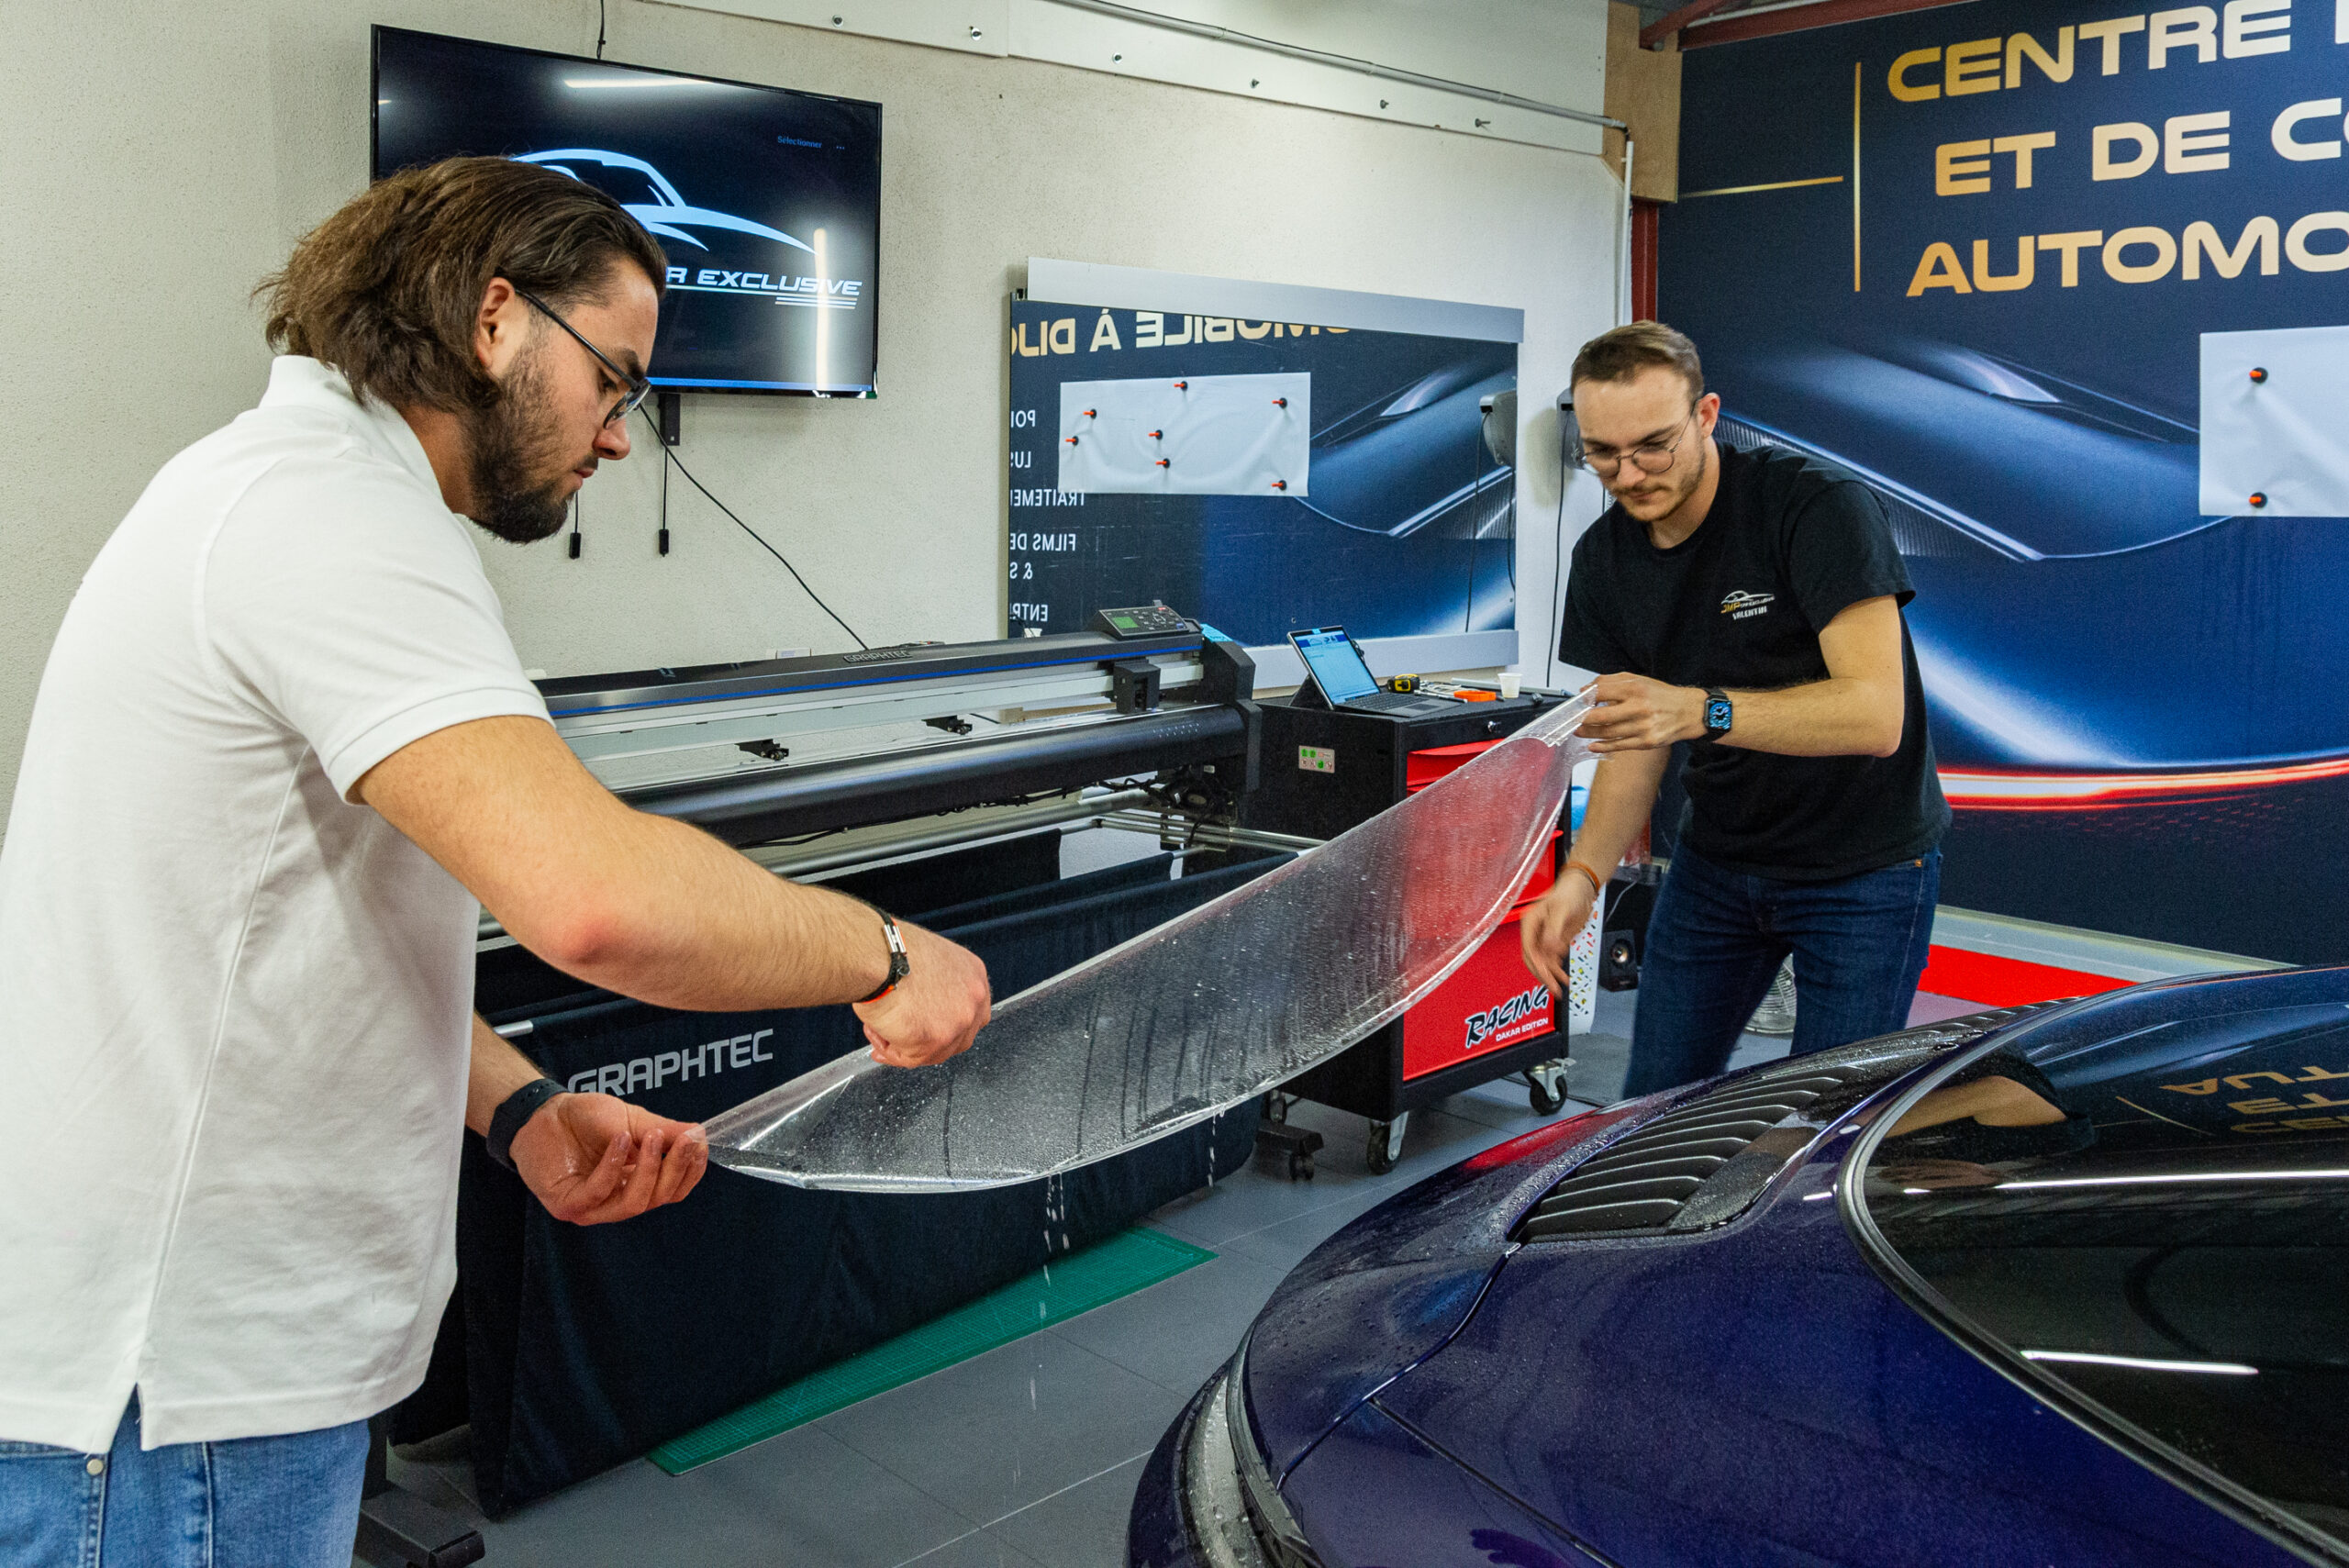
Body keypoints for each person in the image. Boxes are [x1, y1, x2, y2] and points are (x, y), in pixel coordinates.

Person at [0, 157, 991, 1565]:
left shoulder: (297, 486)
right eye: (618, 379)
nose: (617, 439)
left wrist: (519, 1106)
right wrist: (882, 953)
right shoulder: (334, 516)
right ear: (494, 320)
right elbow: (599, 901)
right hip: (181, 1381)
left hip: (193, 1364)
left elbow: (299, 925)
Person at [1521, 321, 1949, 1096]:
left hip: (1864, 867)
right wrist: (1581, 875)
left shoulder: (1815, 509)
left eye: (1654, 445)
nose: (1630, 473)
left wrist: (1700, 711)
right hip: (1718, 862)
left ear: (1707, 415)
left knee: (1832, 1115)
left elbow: (1875, 714)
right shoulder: (1604, 560)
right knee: (1652, 1102)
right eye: (1602, 453)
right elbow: (1637, 739)